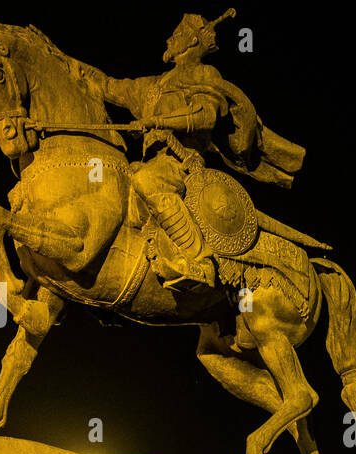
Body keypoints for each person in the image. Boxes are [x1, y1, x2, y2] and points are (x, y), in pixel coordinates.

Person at [71, 11, 306, 290]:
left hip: (180, 162)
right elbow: (107, 85)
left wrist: (158, 121)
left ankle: (198, 259)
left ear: (191, 40)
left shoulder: (204, 74)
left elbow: (206, 116)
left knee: (147, 180)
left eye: (176, 35)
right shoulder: (151, 85)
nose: (169, 39)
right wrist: (62, 61)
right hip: (149, 162)